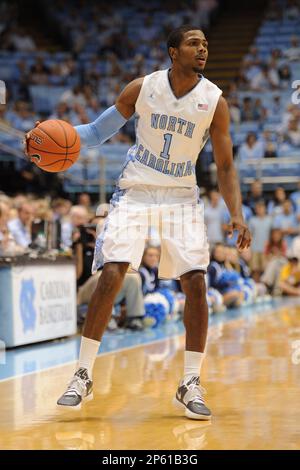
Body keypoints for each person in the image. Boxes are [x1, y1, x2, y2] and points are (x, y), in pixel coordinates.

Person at [25, 25, 251, 420]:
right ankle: (82, 373)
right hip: (136, 191)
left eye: (206, 45)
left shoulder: (215, 101)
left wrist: (237, 213)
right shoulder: (141, 88)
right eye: (194, 44)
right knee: (113, 272)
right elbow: (95, 132)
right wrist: (46, 136)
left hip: (182, 196)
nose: (202, 50)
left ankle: (191, 382)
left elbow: (227, 164)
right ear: (172, 51)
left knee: (196, 281)